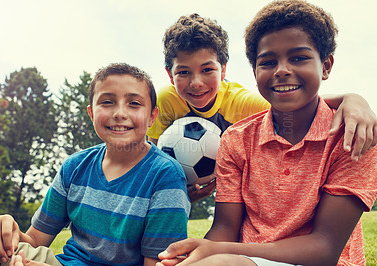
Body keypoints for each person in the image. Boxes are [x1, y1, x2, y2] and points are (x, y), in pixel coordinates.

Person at [156, 1, 377, 265]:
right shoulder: (236, 139)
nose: (282, 70)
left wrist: (219, 254)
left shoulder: (355, 136)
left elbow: (325, 248)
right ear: (255, 71)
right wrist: (197, 253)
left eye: (298, 58)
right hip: (247, 259)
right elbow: (225, 228)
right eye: (268, 62)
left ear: (326, 66)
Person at [147, 13, 377, 202]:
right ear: (170, 74)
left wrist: (351, 98)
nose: (196, 82)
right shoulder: (165, 100)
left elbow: (296, 103)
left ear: (224, 70)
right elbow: (156, 156)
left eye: (207, 70)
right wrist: (178, 191)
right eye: (183, 72)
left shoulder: (243, 103)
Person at [0, 63, 191, 266]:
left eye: (134, 103)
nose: (119, 113)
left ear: (152, 116)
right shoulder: (74, 166)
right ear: (91, 113)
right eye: (107, 102)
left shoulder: (165, 175)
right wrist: (7, 232)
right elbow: (34, 241)